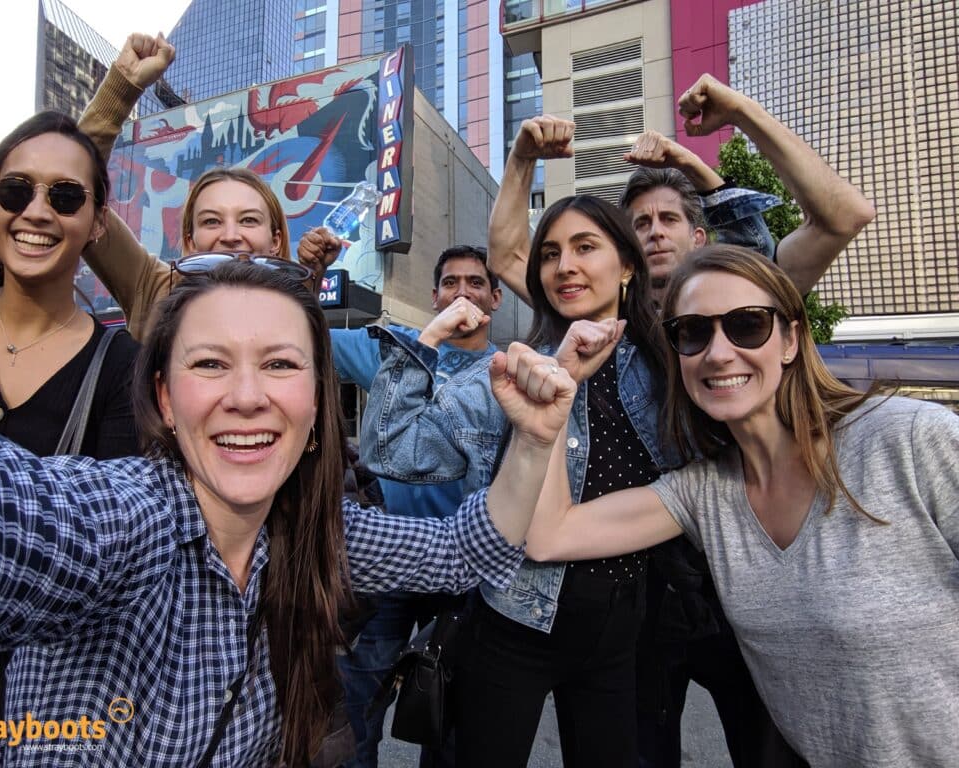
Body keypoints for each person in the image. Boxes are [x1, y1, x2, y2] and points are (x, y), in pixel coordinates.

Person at [0, 258, 577, 768]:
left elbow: (464, 554)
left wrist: (533, 438)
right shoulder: (122, 519)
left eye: (279, 364)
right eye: (211, 364)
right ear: (162, 397)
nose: (247, 397)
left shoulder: (316, 532)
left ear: (318, 403)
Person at [489, 77, 875, 766]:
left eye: (671, 220)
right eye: (640, 224)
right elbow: (513, 256)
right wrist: (521, 159)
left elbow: (837, 218)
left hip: (741, 575)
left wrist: (726, 131)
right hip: (643, 580)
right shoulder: (595, 330)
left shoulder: (709, 322)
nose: (718, 352)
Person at [524, 245, 959, 768]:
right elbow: (549, 536)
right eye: (693, 331)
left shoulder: (909, 439)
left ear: (791, 339)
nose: (719, 352)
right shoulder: (706, 493)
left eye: (747, 325)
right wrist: (561, 395)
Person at [361, 188, 674, 766]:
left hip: (623, 626)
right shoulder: (507, 375)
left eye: (586, 247)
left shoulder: (671, 365)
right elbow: (390, 449)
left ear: (627, 264)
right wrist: (426, 338)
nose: (565, 266)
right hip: (512, 622)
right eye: (550, 254)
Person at [0, 111, 140, 766]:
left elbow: (105, 554)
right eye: (17, 190)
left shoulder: (122, 365)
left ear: (97, 222)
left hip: (39, 709)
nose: (38, 213)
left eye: (67, 195)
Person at [297, 239, 503, 768]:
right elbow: (301, 332)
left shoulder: (508, 373)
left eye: (476, 283)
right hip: (389, 561)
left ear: (496, 299)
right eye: (451, 283)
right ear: (434, 296)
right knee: (357, 703)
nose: (463, 292)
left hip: (467, 571)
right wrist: (307, 274)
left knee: (450, 711)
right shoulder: (396, 347)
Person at [73, 33, 335, 341]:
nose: (231, 236)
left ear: (275, 240)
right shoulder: (153, 288)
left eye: (249, 220)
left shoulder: (288, 306)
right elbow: (74, 186)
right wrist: (123, 86)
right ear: (190, 240)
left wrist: (309, 277)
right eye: (211, 221)